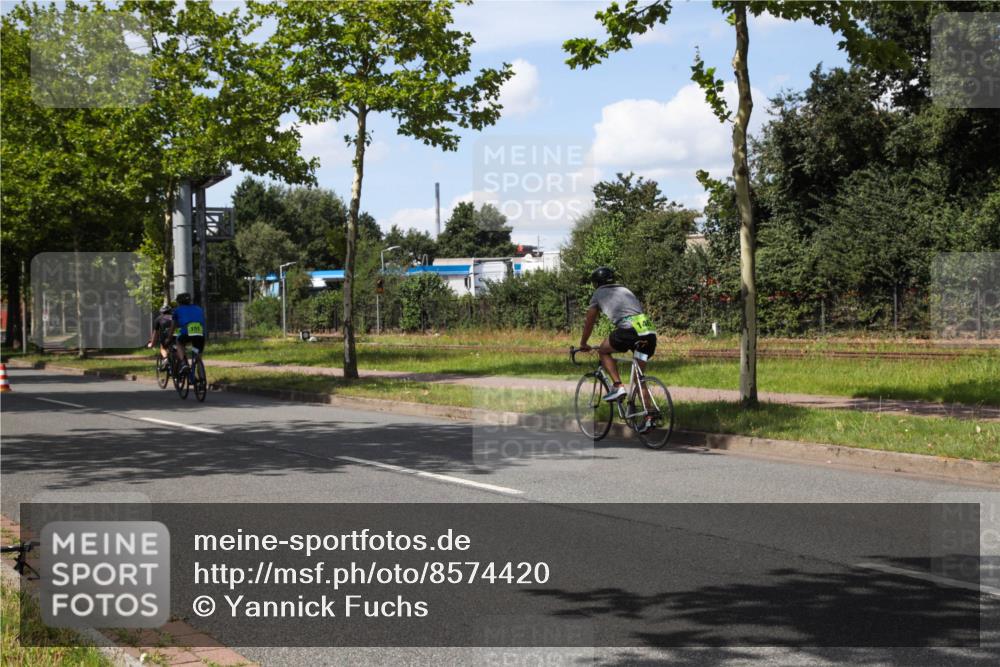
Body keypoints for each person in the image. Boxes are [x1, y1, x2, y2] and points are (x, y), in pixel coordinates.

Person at [578, 267, 658, 431]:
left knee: (603, 350)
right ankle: (649, 415)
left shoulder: (598, 293)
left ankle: (618, 385)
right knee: (639, 378)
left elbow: (590, 321)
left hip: (629, 331)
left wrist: (583, 343)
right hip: (648, 333)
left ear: (596, 283)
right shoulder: (625, 289)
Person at [171, 292, 206, 375]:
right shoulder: (199, 308)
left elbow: (173, 326)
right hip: (200, 334)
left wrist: (169, 337)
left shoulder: (177, 310)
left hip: (186, 333)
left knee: (179, 343)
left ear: (178, 302)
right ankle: (202, 379)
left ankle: (183, 364)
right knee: (198, 355)